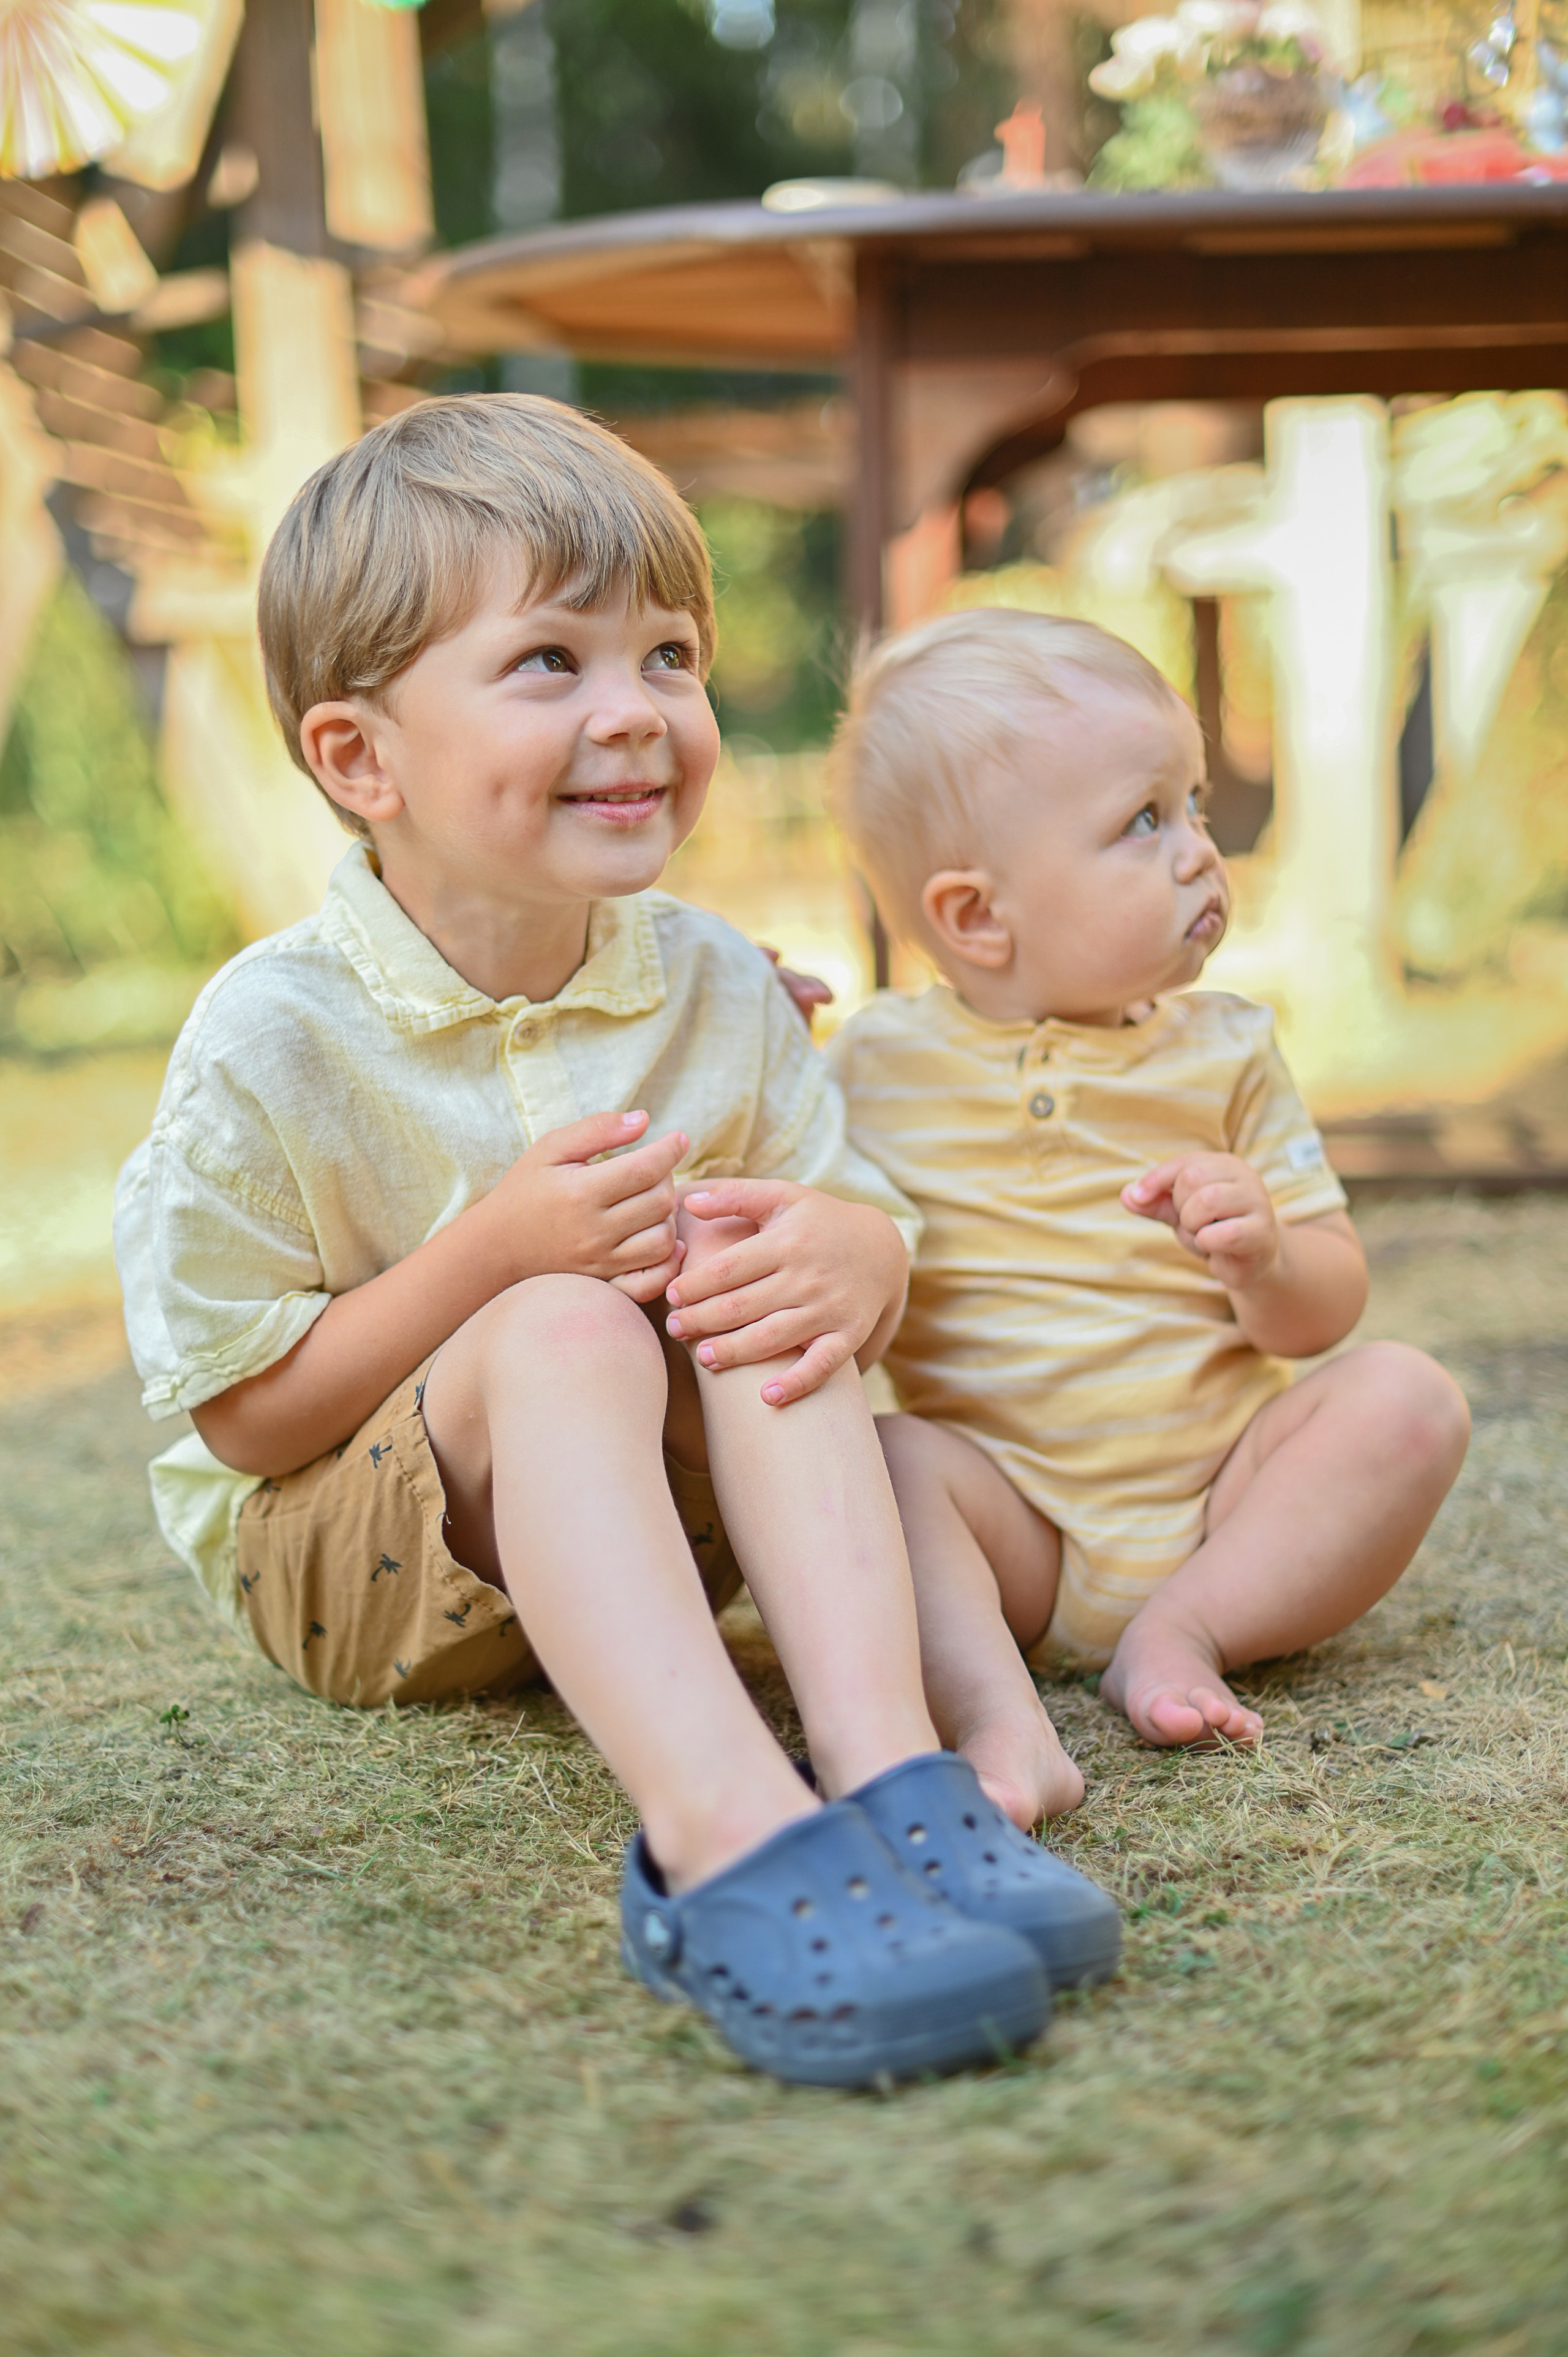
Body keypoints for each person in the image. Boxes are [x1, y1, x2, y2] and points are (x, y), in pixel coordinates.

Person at [112, 398, 1120, 2089]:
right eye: (550, 665)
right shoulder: (269, 1040)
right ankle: (726, 1841)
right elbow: (246, 1424)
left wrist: (856, 1256)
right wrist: (492, 1260)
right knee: (567, 1324)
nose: (636, 714)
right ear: (363, 760)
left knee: (759, 1255)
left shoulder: (716, 981)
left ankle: (886, 1776)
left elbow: (844, 1230)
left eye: (668, 655)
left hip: (658, 1524)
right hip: (352, 1568)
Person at [826, 608, 1471, 1830]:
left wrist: (1266, 1254)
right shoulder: (866, 1065)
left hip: (1225, 1502)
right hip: (1011, 1530)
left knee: (1405, 1398)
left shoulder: (1226, 1050)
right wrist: (752, 1014)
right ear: (973, 916)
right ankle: (987, 1708)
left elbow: (1325, 1306)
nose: (1199, 853)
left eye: (1194, 804)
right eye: (1143, 821)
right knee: (886, 1462)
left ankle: (1185, 1629)